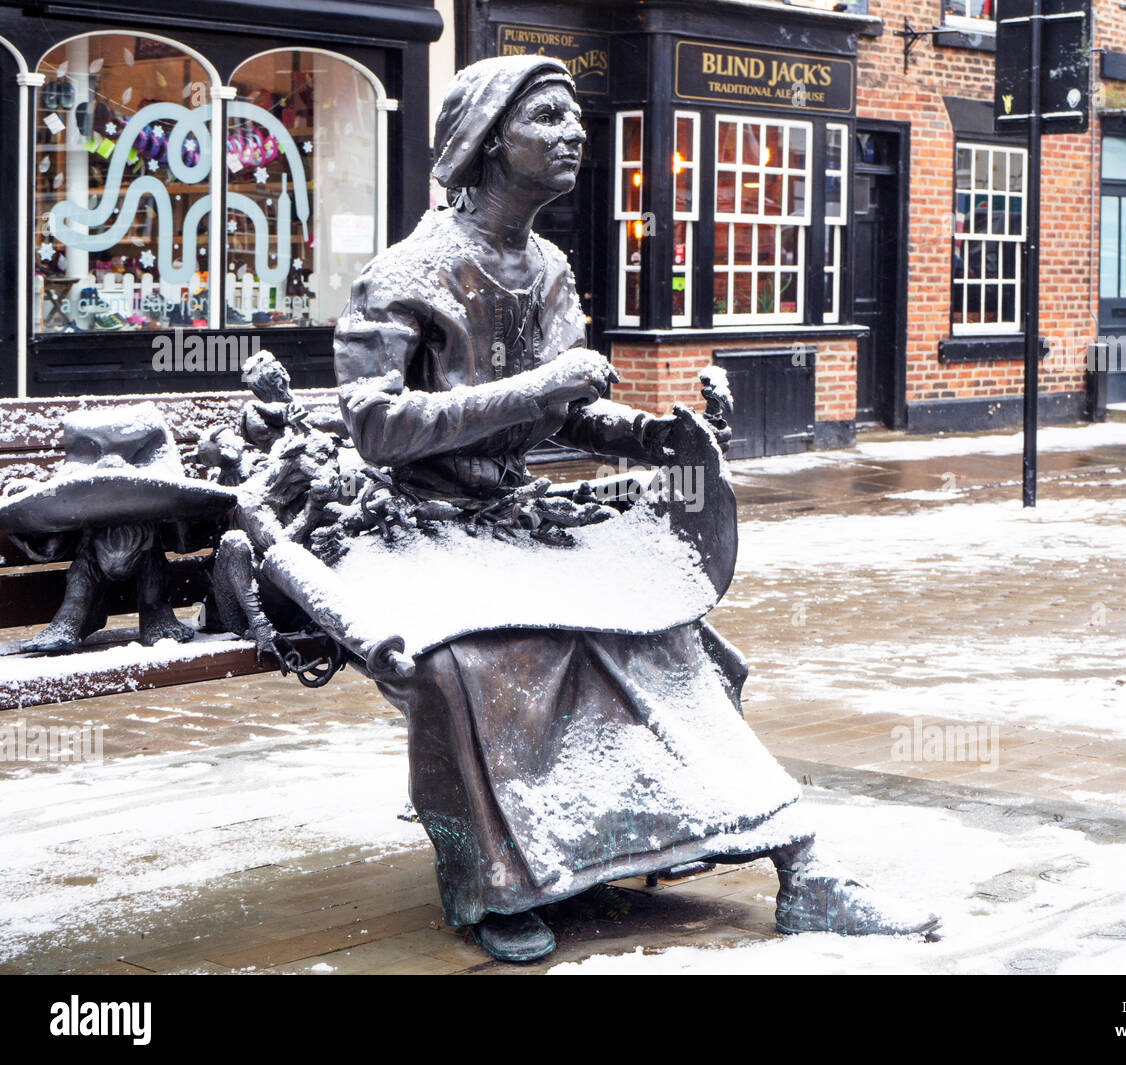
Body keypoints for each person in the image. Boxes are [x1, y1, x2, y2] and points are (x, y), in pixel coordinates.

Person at [330, 55, 938, 962]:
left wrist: (653, 436)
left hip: (517, 518)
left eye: (574, 117)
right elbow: (376, 429)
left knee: (667, 638)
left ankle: (796, 859)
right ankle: (491, 881)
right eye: (547, 117)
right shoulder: (408, 273)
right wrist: (537, 388)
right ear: (492, 139)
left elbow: (569, 410)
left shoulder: (548, 269)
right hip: (418, 527)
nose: (573, 133)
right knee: (474, 662)